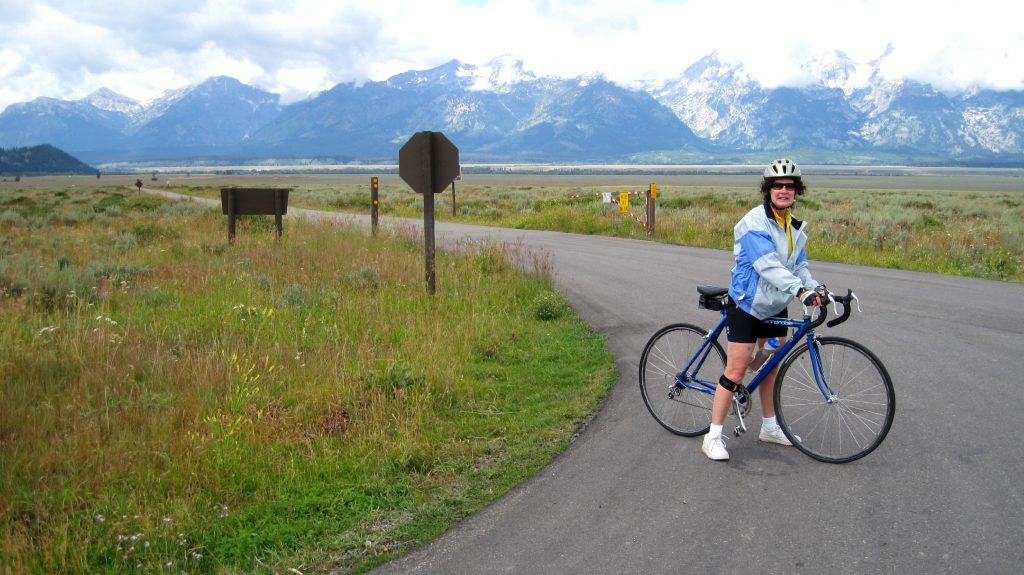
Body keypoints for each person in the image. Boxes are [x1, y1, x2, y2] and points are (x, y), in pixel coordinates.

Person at [702, 158, 826, 461]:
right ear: (768, 190)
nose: (784, 190)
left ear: (797, 191)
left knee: (771, 363)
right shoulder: (754, 222)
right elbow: (766, 265)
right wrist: (799, 290)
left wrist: (817, 288)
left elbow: (799, 267)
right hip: (747, 303)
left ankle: (770, 427)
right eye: (777, 185)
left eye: (789, 186)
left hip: (775, 304)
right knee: (736, 370)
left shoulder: (793, 227)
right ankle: (712, 436)